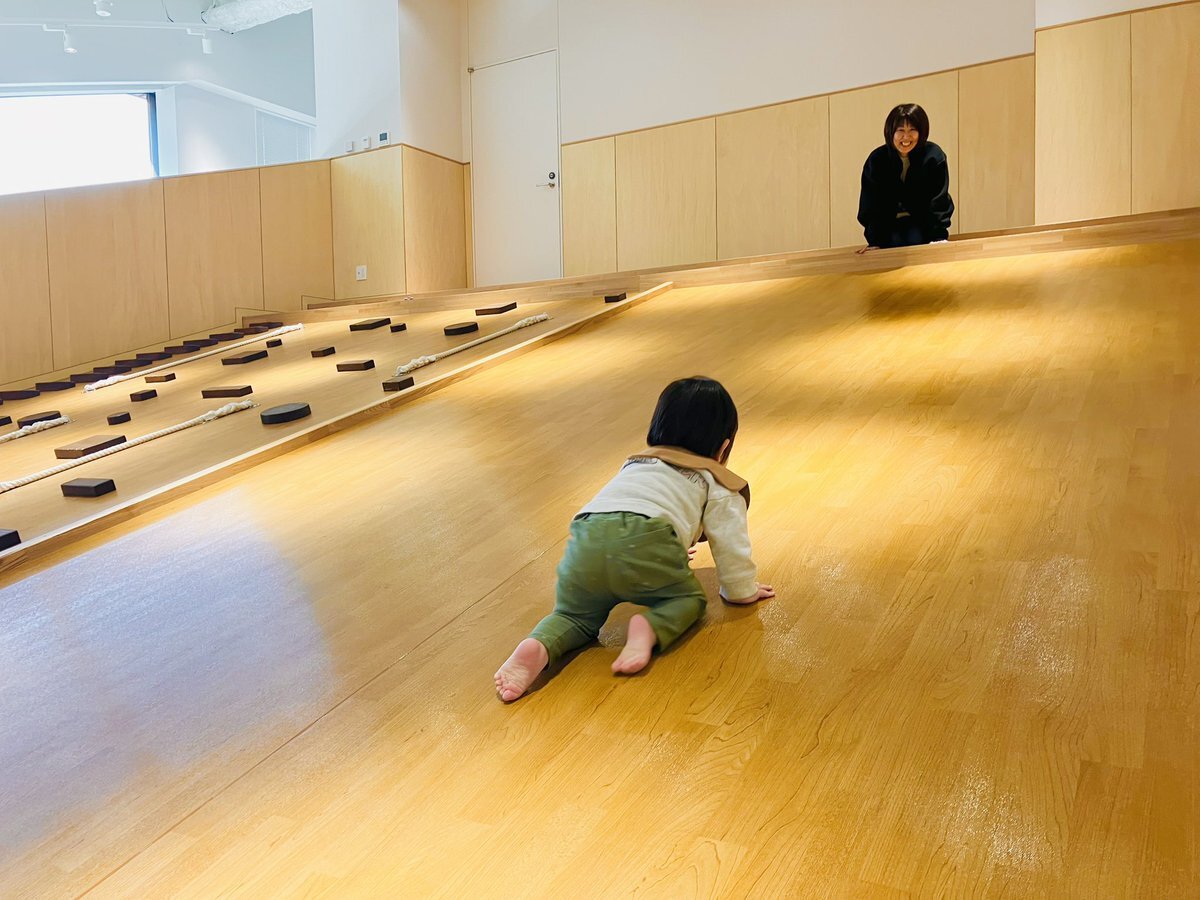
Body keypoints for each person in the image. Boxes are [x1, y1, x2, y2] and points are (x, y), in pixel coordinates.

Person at [493, 376, 775, 702]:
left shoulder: (636, 463)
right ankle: (648, 628)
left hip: (586, 537)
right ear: (724, 447)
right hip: (648, 542)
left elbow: (633, 508)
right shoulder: (716, 480)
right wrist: (741, 590)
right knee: (687, 601)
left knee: (574, 616)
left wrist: (668, 547)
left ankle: (539, 645)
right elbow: (729, 542)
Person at [856, 103, 953, 252]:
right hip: (887, 228)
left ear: (921, 132)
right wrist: (874, 241)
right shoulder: (877, 160)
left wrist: (938, 237)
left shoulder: (934, 157)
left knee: (913, 236)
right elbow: (870, 204)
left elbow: (938, 200)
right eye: (900, 130)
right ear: (890, 132)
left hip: (923, 226)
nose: (906, 137)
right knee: (896, 240)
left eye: (912, 130)